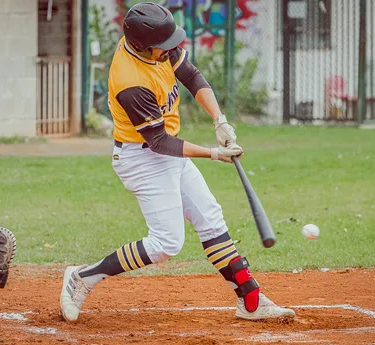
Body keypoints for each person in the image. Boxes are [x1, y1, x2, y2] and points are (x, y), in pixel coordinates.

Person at [60, 2, 295, 322]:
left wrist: (220, 121)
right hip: (141, 158)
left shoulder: (156, 46)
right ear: (143, 46)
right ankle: (82, 277)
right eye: (164, 45)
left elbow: (192, 76)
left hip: (170, 151)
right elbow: (159, 142)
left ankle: (251, 299)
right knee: (166, 243)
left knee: (211, 220)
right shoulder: (131, 82)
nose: (172, 49)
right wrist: (213, 153)